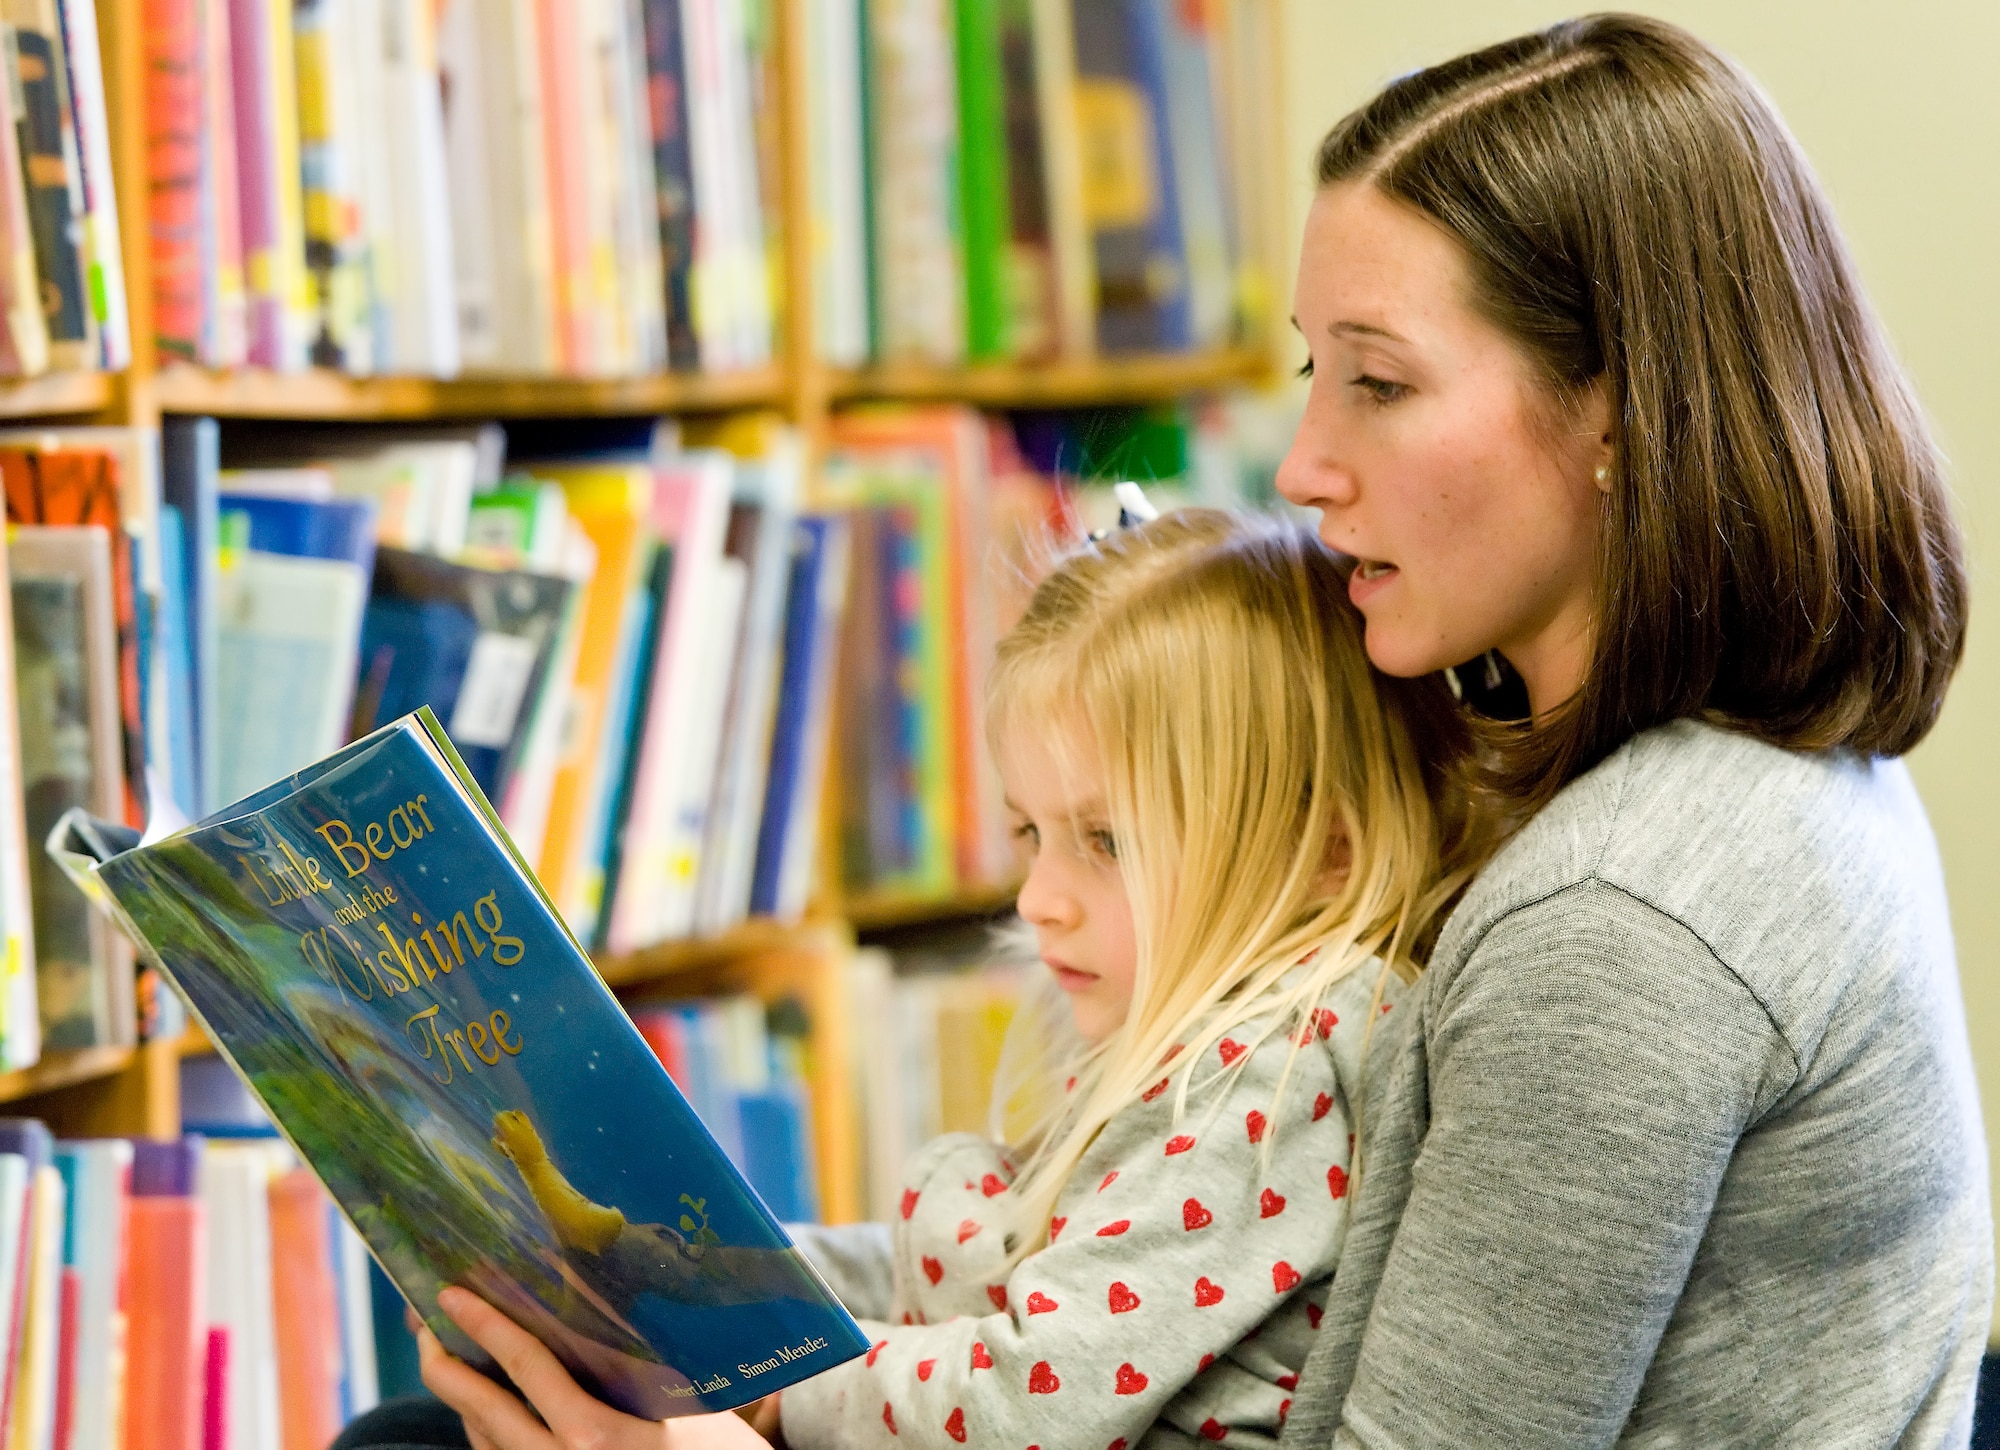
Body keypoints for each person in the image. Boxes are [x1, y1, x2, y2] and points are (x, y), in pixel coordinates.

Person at [372, 509, 1478, 1450]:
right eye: (1027, 832)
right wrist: (732, 1282)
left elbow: (1023, 1394)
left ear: (1320, 855)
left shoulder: (1286, 1071)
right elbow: (1000, 1275)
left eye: (1105, 840)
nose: (1038, 893)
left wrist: (769, 1387)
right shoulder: (1212, 1035)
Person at [1268, 13, 1986, 1448]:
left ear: (1620, 413)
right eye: (1311, 371)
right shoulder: (1773, 786)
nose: (1302, 467)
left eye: (1383, 382)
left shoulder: (1622, 920)